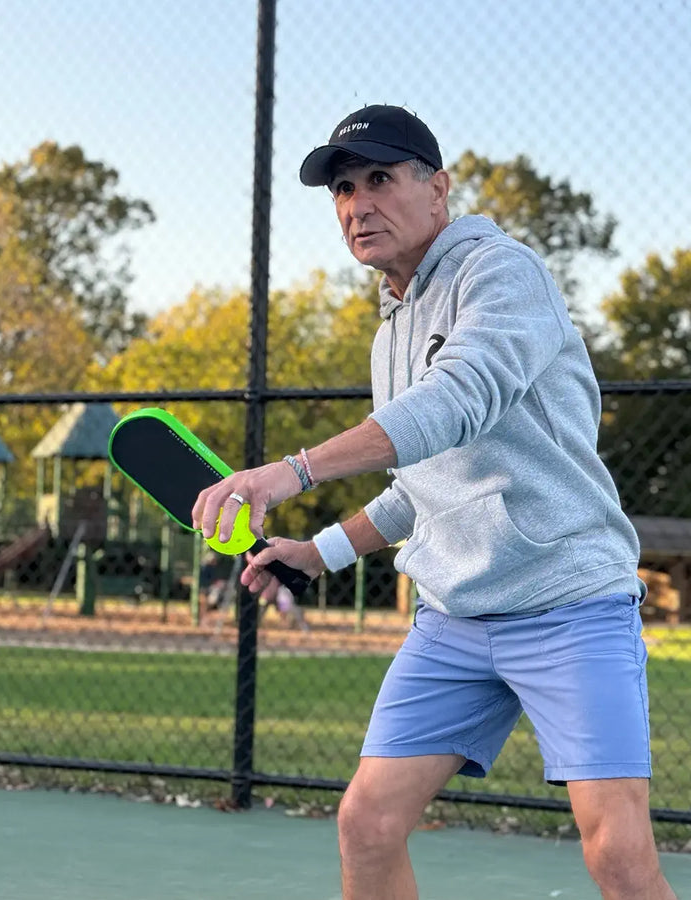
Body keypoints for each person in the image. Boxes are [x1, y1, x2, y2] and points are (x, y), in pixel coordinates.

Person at [192, 105, 675, 900]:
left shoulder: (501, 273)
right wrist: (315, 555)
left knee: (617, 857)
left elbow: (458, 402)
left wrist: (292, 471)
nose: (357, 204)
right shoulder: (392, 328)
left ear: (438, 190)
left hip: (569, 603)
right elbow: (422, 485)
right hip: (455, 620)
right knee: (367, 825)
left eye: (379, 178)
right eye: (343, 189)